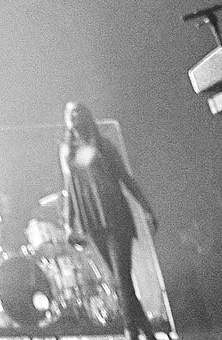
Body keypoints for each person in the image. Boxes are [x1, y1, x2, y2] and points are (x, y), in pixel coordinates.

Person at [58, 103, 159, 340]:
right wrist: (69, 223)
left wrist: (147, 209)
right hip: (91, 221)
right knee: (118, 279)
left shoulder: (103, 145)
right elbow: (70, 189)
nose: (73, 116)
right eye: (69, 113)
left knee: (122, 276)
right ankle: (148, 332)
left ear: (87, 116)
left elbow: (125, 177)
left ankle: (130, 331)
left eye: (77, 111)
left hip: (115, 217)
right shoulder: (66, 151)